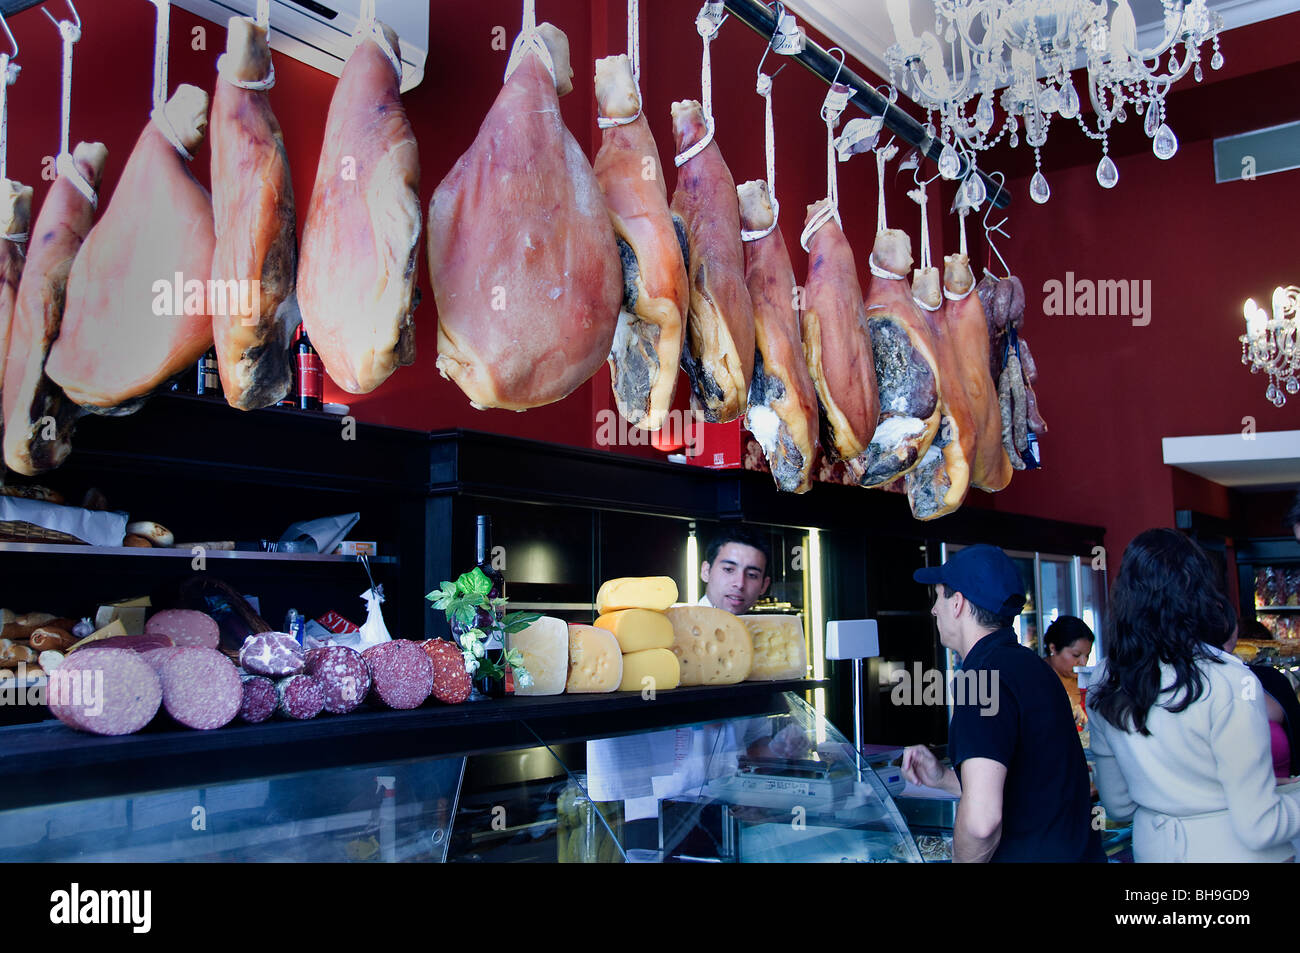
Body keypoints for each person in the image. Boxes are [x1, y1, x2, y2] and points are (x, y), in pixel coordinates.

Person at [1087, 528, 1300, 862]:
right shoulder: (1228, 679)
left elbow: (1118, 804)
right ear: (1199, 593)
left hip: (1156, 851)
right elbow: (1260, 825)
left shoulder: (1105, 679)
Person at [900, 544, 1103, 863]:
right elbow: (1027, 784)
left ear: (958, 603)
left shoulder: (981, 679)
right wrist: (942, 778)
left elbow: (981, 823)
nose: (934, 610)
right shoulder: (1032, 666)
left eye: (938, 597)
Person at [699, 528, 772, 615]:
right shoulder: (683, 623)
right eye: (728, 570)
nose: (740, 584)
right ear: (706, 571)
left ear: (764, 586)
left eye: (752, 575)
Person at [1045, 616, 1095, 727]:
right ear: (1053, 648)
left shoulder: (1089, 684)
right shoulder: (1035, 680)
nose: (1083, 662)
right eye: (1076, 655)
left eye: (1087, 655)